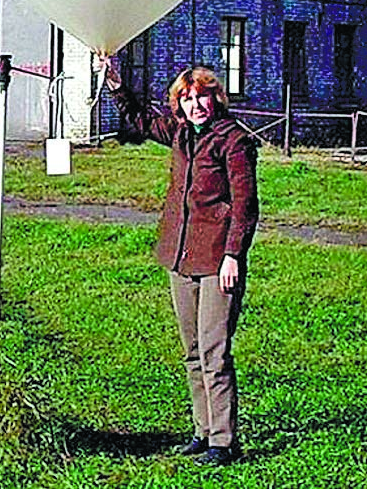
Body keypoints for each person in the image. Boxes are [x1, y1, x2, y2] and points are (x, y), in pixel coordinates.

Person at [102, 61, 258, 467]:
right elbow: (140, 120)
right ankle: (202, 431)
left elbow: (245, 205)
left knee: (214, 351)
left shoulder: (233, 141)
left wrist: (233, 256)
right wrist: (118, 86)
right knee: (192, 351)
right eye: (187, 98)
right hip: (180, 254)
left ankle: (223, 442)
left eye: (202, 96)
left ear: (215, 97)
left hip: (215, 260)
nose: (195, 104)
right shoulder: (181, 134)